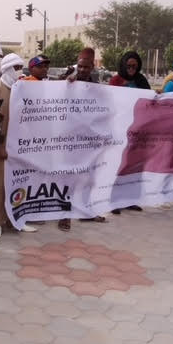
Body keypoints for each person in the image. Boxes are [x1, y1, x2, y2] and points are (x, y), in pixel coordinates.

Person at [0, 53, 37, 238]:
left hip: (17, 146)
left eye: (21, 67)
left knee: (15, 183)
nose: (19, 71)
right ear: (6, 69)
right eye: (16, 67)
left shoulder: (21, 88)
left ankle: (14, 219)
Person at [65, 49, 107, 226]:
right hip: (69, 138)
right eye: (80, 66)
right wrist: (67, 80)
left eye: (86, 67)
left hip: (89, 138)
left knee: (89, 176)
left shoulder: (95, 84)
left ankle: (85, 211)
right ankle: (64, 214)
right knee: (69, 177)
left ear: (92, 66)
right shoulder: (67, 79)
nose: (82, 70)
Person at [108, 51, 148, 213]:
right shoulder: (115, 80)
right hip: (120, 129)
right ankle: (113, 201)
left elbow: (148, 101)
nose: (131, 69)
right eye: (129, 66)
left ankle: (130, 199)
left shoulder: (141, 80)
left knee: (135, 166)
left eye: (134, 66)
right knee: (119, 166)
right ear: (123, 65)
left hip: (138, 129)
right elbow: (111, 102)